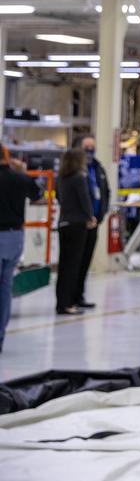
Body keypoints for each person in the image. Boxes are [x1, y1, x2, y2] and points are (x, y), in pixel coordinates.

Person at [0, 148, 41, 351]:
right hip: (13, 236)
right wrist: (22, 171)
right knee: (5, 286)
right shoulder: (19, 178)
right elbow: (37, 194)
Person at [54, 148, 94, 315]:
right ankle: (68, 303)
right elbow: (84, 199)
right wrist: (89, 217)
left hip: (64, 223)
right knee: (73, 265)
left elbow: (58, 197)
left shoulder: (61, 178)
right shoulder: (79, 178)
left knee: (64, 265)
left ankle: (61, 302)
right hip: (77, 225)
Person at [75, 135, 109, 309]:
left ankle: (80, 295)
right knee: (75, 262)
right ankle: (70, 297)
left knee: (86, 261)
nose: (89, 150)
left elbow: (105, 192)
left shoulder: (98, 168)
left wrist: (101, 214)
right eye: (86, 146)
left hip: (95, 222)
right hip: (79, 223)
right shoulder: (74, 169)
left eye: (92, 147)